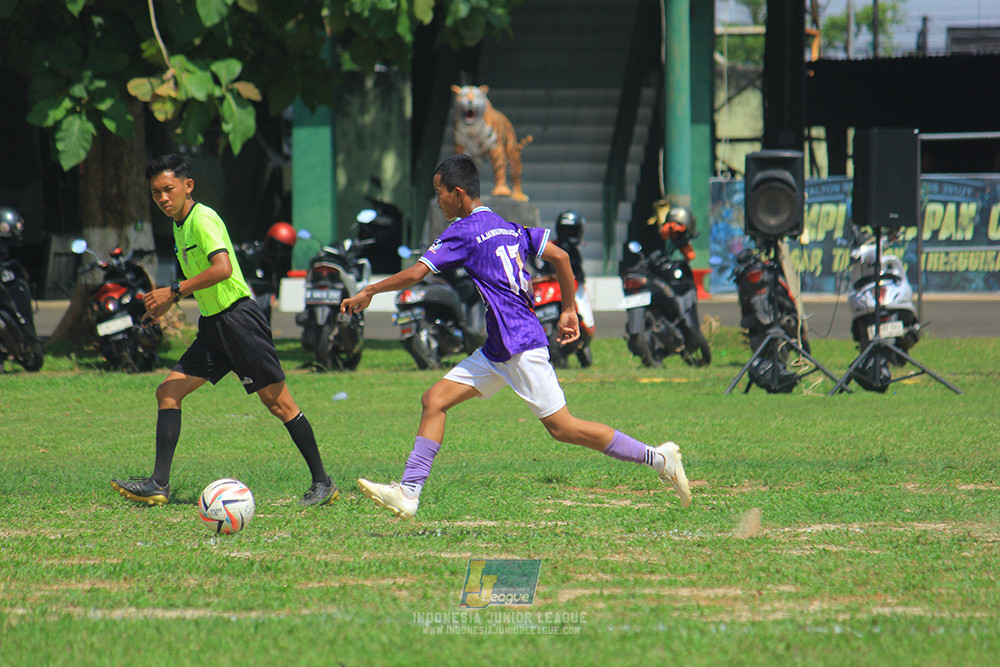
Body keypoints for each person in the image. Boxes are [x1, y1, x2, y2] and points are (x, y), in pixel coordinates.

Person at [340, 154, 691, 519]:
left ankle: (658, 458)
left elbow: (416, 273)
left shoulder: (463, 231)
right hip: (499, 347)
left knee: (564, 428)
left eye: (440, 192)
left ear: (458, 194)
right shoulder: (505, 225)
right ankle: (409, 492)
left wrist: (369, 291)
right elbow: (562, 258)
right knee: (435, 400)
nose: (439, 199)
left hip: (519, 343)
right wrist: (569, 309)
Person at [110, 154, 337, 507]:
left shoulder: (202, 219)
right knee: (168, 391)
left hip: (240, 322)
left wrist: (173, 291)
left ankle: (324, 483)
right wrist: (172, 301)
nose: (163, 198)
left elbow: (223, 269)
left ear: (188, 186)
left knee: (279, 404)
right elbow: (202, 279)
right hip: (214, 327)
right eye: (156, 193)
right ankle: (158, 484)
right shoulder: (180, 224)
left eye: (168, 189)